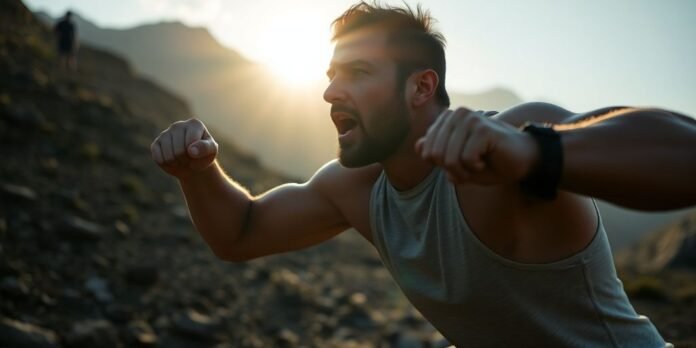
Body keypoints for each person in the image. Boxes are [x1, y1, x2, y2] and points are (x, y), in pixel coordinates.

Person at [151, 2, 696, 346]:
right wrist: (197, 172)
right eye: (330, 76)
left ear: (421, 87)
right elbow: (241, 232)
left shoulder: (512, 138)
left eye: (357, 73)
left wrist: (537, 153)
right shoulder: (357, 187)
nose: (329, 92)